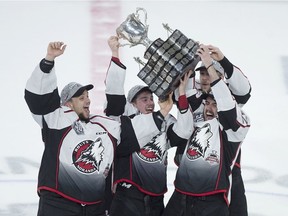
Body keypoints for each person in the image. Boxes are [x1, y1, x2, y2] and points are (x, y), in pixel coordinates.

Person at [24, 41, 175, 216]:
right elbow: (38, 98)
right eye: (81, 98)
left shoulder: (104, 126)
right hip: (58, 204)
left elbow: (133, 131)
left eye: (87, 97)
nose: (88, 101)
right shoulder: (55, 118)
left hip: (93, 208)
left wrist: (162, 112)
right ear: (67, 104)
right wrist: (48, 60)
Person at [104, 35, 194, 216]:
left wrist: (182, 94)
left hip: (155, 198)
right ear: (133, 104)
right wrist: (115, 53)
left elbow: (184, 132)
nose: (150, 103)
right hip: (127, 195)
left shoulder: (165, 121)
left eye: (151, 98)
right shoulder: (123, 120)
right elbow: (113, 91)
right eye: (144, 99)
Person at [163, 45, 251, 216]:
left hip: (224, 175)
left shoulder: (230, 102)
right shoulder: (196, 100)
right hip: (188, 179)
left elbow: (244, 91)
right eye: (201, 74)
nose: (204, 78)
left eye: (208, 74)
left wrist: (220, 62)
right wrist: (187, 59)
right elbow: (181, 91)